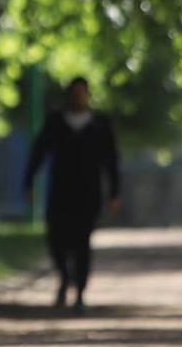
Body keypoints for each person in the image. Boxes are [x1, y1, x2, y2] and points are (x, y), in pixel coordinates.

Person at [24, 76, 121, 311]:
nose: (78, 97)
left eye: (82, 92)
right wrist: (28, 181)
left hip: (88, 193)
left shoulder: (99, 124)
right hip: (60, 191)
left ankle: (79, 292)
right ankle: (64, 276)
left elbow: (111, 160)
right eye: (74, 92)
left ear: (88, 95)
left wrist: (115, 192)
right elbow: (38, 152)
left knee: (82, 243)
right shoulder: (56, 122)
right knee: (56, 238)